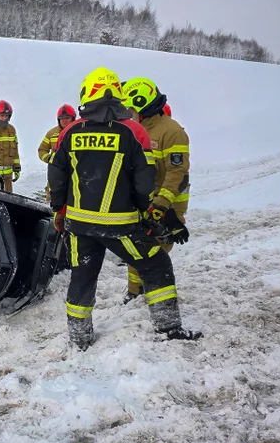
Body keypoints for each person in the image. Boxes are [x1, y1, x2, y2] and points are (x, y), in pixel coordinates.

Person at [48, 67, 201, 350]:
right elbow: (144, 184)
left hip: (79, 225)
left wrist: (59, 209)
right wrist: (155, 217)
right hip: (121, 225)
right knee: (156, 264)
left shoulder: (69, 132)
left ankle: (79, 339)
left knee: (82, 277)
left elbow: (57, 176)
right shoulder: (135, 132)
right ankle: (168, 327)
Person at [120, 77, 191, 303]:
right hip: (143, 202)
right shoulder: (133, 129)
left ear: (142, 104)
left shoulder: (171, 132)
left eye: (130, 107)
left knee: (156, 251)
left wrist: (162, 207)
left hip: (166, 204)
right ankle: (134, 291)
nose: (127, 112)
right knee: (136, 246)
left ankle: (159, 297)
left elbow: (177, 174)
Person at [38, 104, 77, 201]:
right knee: (53, 199)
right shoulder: (52, 133)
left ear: (73, 118)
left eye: (67, 118)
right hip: (55, 173)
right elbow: (42, 150)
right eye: (62, 118)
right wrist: (49, 158)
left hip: (74, 172)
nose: (64, 120)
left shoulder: (80, 132)